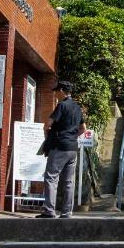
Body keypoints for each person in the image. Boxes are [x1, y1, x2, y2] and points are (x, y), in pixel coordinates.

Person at [38, 80, 86, 219]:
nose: (55, 94)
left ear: (62, 91)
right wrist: (71, 136)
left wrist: (49, 138)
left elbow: (48, 125)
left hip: (59, 147)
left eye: (57, 91)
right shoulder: (77, 107)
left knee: (51, 178)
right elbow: (83, 128)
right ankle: (66, 213)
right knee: (69, 181)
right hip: (72, 148)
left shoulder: (61, 105)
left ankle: (49, 211)